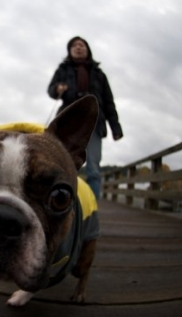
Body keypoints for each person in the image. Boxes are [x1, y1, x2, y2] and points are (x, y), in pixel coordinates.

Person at [47, 36, 123, 199]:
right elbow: (51, 90)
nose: (78, 47)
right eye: (74, 45)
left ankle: (93, 205)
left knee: (93, 168)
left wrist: (115, 128)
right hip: (66, 124)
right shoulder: (63, 70)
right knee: (61, 164)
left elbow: (109, 102)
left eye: (82, 45)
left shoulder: (99, 74)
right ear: (70, 51)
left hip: (94, 122)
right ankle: (65, 204)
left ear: (87, 49)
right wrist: (57, 88)